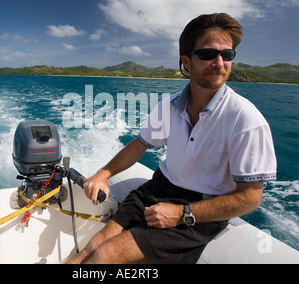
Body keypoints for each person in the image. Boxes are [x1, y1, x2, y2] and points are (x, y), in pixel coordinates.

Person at [67, 13, 277, 264]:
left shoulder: (245, 119)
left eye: (227, 54)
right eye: (209, 54)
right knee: (93, 245)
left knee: (105, 254)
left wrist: (182, 213)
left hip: (201, 208)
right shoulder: (171, 106)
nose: (220, 62)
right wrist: (103, 174)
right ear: (186, 62)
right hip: (158, 187)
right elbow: (139, 145)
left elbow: (250, 197)